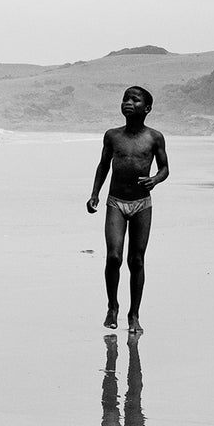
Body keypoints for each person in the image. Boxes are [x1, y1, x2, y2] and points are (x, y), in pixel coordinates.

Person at [86, 86, 169, 334]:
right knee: (114, 257)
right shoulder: (112, 136)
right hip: (116, 202)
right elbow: (103, 166)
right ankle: (113, 306)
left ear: (147, 108)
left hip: (142, 204)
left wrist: (155, 179)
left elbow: (165, 169)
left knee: (137, 260)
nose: (128, 103)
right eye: (125, 99)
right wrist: (94, 195)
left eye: (135, 100)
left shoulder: (155, 137)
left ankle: (134, 315)